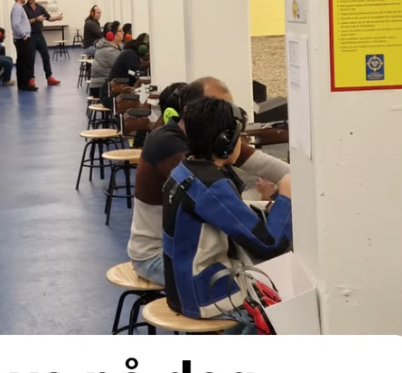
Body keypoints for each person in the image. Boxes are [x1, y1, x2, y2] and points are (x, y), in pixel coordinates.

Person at [127, 77, 290, 286]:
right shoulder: (171, 147)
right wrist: (279, 198)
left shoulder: (206, 144)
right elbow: (230, 214)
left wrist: (300, 179)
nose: (228, 117)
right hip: (158, 256)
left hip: (187, 248)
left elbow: (261, 165)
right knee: (264, 283)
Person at [162, 97, 292, 321]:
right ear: (226, 142)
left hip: (181, 288)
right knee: (282, 312)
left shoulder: (186, 169)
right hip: (204, 296)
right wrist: (286, 195)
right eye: (239, 137)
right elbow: (269, 245)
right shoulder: (211, 187)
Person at [24, 0, 63, 86]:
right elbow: (24, 22)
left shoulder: (40, 8)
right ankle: (31, 78)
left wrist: (57, 18)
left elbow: (48, 17)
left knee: (46, 56)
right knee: (30, 58)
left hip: (39, 35)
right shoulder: (24, 8)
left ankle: (49, 77)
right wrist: (36, 19)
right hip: (30, 36)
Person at [11, 0, 37, 92]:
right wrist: (23, 34)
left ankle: (23, 84)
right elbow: (15, 24)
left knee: (22, 62)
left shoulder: (18, 7)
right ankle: (25, 84)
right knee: (25, 62)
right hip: (22, 39)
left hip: (22, 38)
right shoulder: (17, 8)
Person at [89, 21, 124, 99]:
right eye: (120, 31)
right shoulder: (108, 51)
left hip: (105, 85)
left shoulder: (114, 47)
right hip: (101, 88)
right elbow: (123, 67)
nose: (123, 33)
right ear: (110, 35)